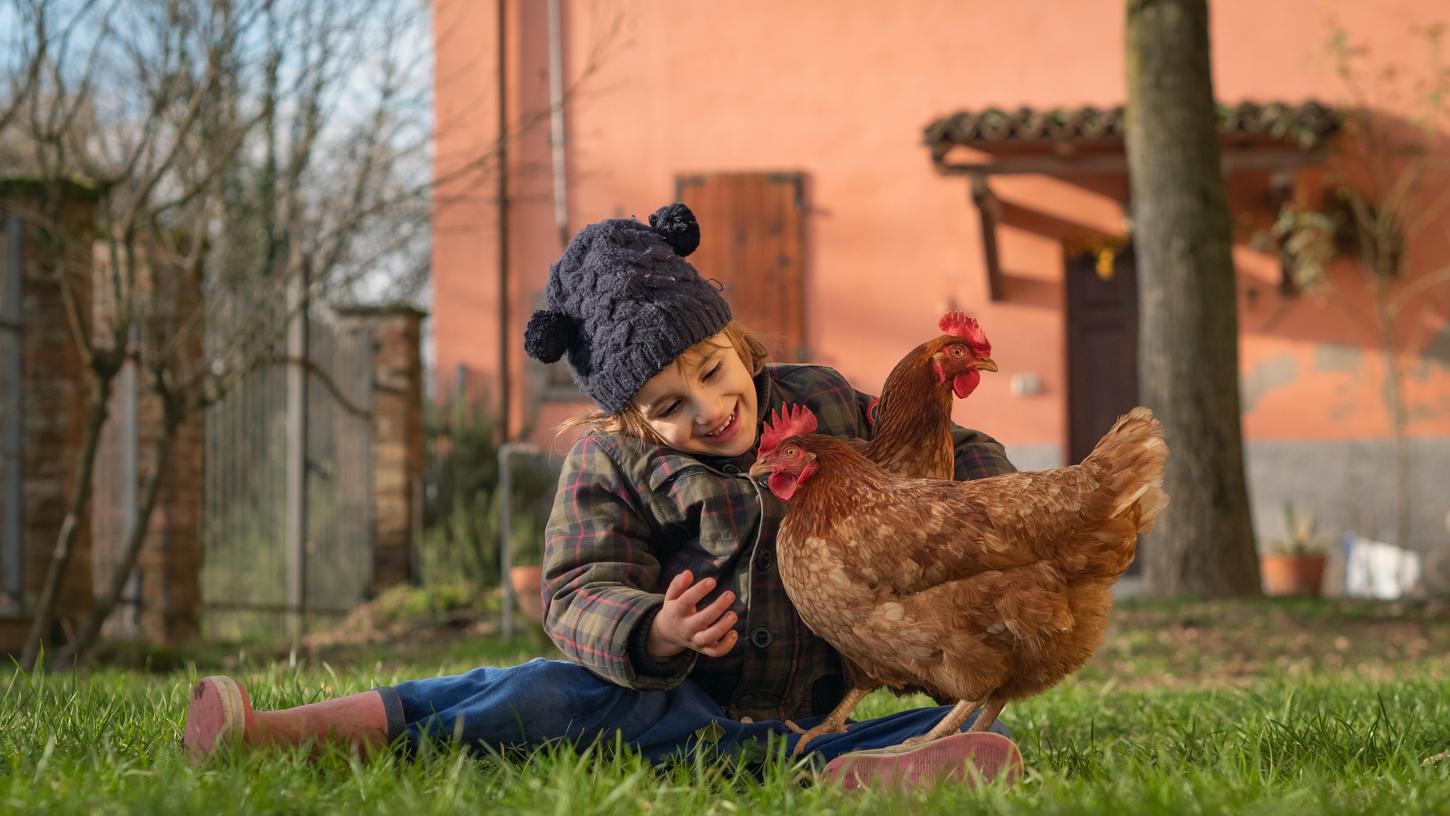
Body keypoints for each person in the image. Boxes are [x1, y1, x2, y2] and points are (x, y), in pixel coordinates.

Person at [184, 203, 1024, 789]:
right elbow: (574, 591)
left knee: (964, 728)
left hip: (823, 710)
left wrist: (999, 511)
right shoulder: (608, 464)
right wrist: (653, 631)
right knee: (540, 696)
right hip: (670, 705)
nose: (710, 409)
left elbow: (934, 449)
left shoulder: (828, 403)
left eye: (711, 371)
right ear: (628, 416)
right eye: (668, 407)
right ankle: (280, 735)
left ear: (733, 340)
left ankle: (848, 766)